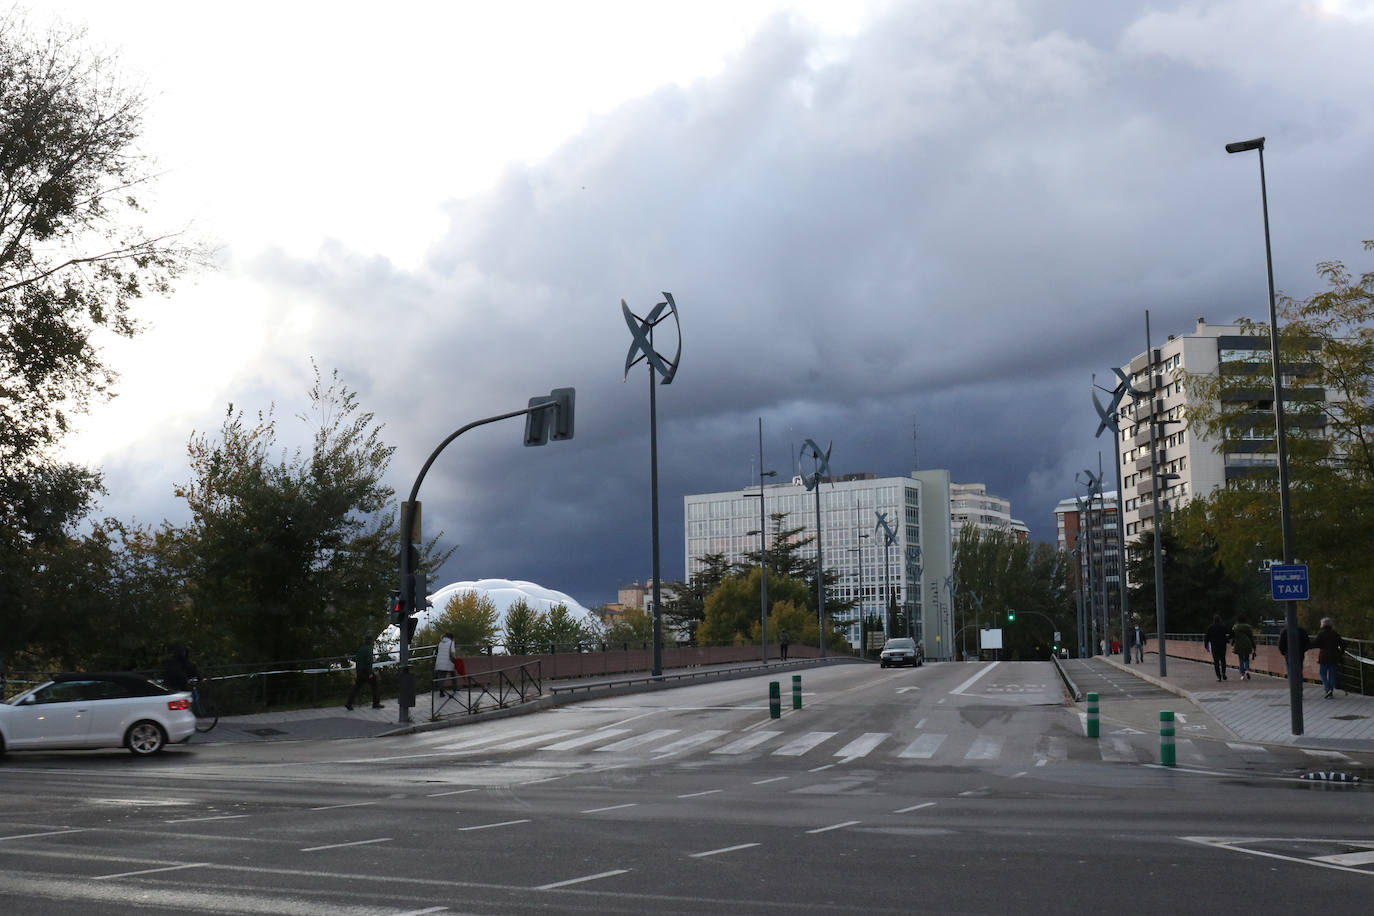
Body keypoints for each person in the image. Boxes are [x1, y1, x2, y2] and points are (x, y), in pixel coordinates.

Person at [1312, 617, 1345, 699]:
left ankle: (1327, 688)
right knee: (1332, 674)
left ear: (1323, 625)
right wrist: (1340, 653)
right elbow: (1343, 644)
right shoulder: (1335, 634)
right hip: (1334, 657)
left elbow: (1315, 643)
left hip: (1324, 656)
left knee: (1322, 673)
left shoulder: (1321, 634)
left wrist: (1305, 646)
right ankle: (1331, 690)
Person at [345, 640, 383, 710]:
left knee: (357, 687)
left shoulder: (361, 649)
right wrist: (370, 673)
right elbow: (369, 662)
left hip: (359, 670)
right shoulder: (369, 650)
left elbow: (357, 660)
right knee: (375, 685)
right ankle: (376, 703)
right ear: (371, 643)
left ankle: (349, 703)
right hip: (366, 671)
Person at [1204, 615, 1232, 681]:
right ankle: (1223, 673)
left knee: (1216, 662)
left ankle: (1219, 676)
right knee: (1223, 660)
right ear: (1220, 620)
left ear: (1213, 620)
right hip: (1222, 645)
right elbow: (1231, 633)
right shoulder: (1223, 627)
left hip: (1214, 646)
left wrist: (1206, 646)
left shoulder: (1210, 628)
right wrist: (1227, 639)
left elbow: (1206, 637)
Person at [1230, 614, 1256, 681]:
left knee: (1241, 659)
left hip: (1238, 644)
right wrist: (1254, 646)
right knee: (1246, 658)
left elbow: (1233, 636)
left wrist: (1232, 644)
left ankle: (1242, 674)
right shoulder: (1248, 627)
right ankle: (1247, 670)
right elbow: (1251, 637)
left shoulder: (1235, 627)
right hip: (1247, 643)